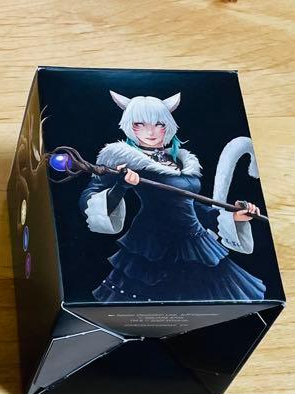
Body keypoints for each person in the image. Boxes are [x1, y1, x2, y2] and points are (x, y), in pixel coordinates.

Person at [79, 91, 264, 303]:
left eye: (159, 124)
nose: (150, 131)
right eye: (140, 124)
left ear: (167, 125)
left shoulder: (179, 160)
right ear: (129, 125)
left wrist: (234, 216)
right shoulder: (122, 159)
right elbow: (90, 197)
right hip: (152, 246)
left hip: (195, 242)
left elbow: (189, 206)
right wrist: (120, 186)